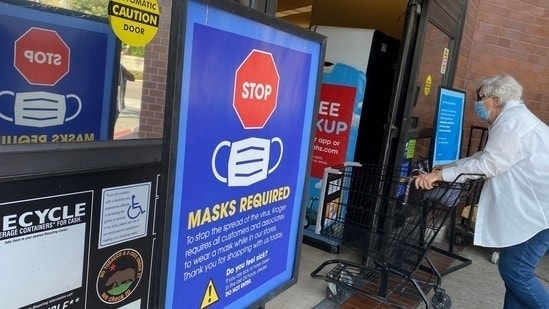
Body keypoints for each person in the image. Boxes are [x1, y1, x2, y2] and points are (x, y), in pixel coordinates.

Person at [414, 74, 549, 308]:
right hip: (534, 209)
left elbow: (488, 165)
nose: (478, 103)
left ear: (495, 100)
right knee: (513, 273)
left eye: (481, 98)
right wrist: (448, 167)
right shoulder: (513, 119)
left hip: (540, 212)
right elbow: (485, 158)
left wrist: (438, 175)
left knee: (516, 271)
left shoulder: (511, 123)